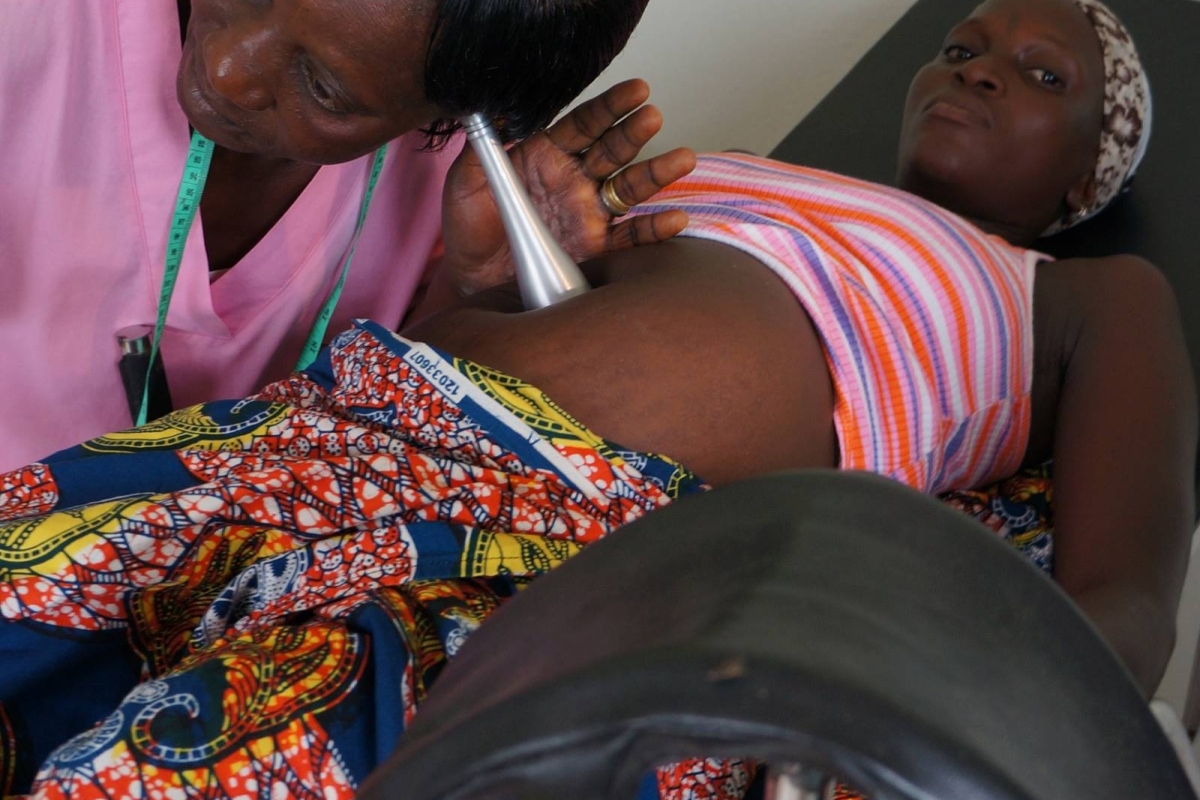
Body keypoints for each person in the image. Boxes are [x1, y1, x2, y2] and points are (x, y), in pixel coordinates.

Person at [0, 0, 1194, 798]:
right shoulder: (736, 172)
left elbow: (1121, 601)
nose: (979, 64)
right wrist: (477, 283)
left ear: (1096, 166)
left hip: (573, 530)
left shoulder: (1088, 290)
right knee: (38, 612)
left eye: (1044, 74)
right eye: (967, 40)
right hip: (339, 432)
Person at [0, 0, 696, 472]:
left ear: (450, 116)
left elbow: (364, 451)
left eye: (323, 89)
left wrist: (474, 296)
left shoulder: (449, 186)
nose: (226, 69)